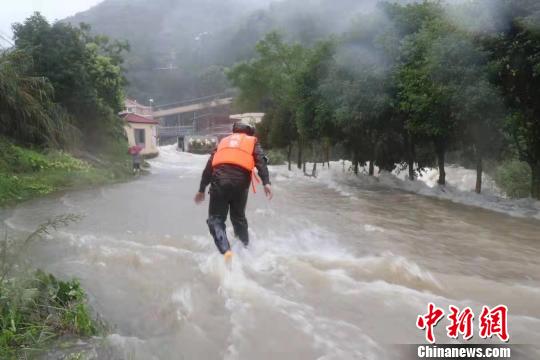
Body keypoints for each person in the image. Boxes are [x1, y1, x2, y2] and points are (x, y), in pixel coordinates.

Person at [194, 122, 273, 261]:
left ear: (234, 131)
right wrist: (266, 182)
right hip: (241, 184)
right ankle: (246, 249)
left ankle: (226, 250)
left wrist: (201, 189)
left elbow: (209, 167)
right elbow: (261, 161)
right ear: (249, 132)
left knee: (215, 219)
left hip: (219, 182)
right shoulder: (252, 141)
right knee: (238, 218)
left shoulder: (223, 142)